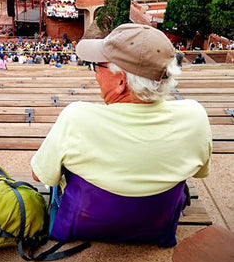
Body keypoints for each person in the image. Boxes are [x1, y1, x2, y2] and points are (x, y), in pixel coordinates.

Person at [30, 24, 212, 247]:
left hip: (81, 223)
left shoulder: (76, 118)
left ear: (121, 81)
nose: (95, 74)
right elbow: (200, 171)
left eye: (97, 66)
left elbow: (40, 176)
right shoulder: (195, 116)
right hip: (158, 228)